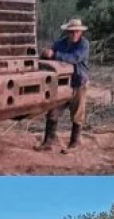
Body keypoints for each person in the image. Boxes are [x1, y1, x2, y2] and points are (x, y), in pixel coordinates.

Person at [36, 18, 90, 151]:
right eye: (71, 32)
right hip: (62, 84)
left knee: (77, 114)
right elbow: (50, 54)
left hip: (79, 82)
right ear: (67, 32)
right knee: (53, 111)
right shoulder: (60, 43)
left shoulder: (84, 44)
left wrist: (55, 54)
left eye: (77, 32)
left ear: (80, 32)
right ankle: (48, 142)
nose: (74, 34)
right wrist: (45, 54)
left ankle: (74, 144)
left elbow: (75, 58)